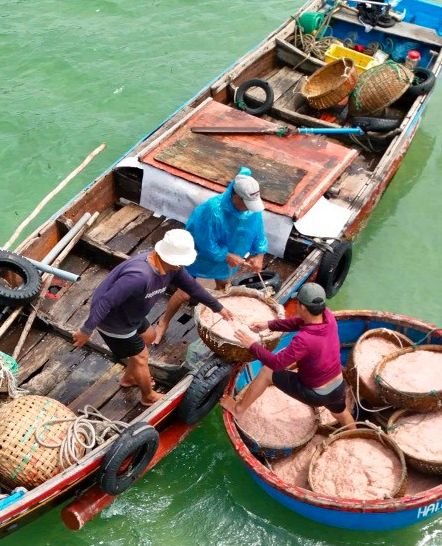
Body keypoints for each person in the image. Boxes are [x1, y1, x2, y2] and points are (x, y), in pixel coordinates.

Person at [73, 229, 234, 406]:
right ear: (168, 257)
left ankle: (129, 378)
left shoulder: (172, 268)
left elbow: (192, 287)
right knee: (141, 356)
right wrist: (86, 331)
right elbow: (105, 302)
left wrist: (218, 308)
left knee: (149, 337)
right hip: (115, 322)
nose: (181, 265)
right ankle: (148, 396)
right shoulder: (139, 276)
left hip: (133, 313)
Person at [151, 168, 268, 346]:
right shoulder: (211, 211)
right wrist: (226, 255)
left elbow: (259, 234)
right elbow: (204, 242)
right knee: (184, 293)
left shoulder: (252, 209)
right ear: (236, 197)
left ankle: (224, 322)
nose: (250, 209)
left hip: (231, 256)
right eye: (246, 204)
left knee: (224, 288)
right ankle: (163, 322)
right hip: (201, 256)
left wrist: (259, 255)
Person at [221, 282, 354, 428]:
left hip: (316, 394)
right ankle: (354, 434)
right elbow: (299, 322)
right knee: (341, 413)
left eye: (298, 304)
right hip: (338, 386)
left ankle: (238, 409)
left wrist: (252, 344)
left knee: (267, 371)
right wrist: (269, 324)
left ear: (302, 307)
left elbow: (276, 363)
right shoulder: (327, 316)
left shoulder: (303, 339)